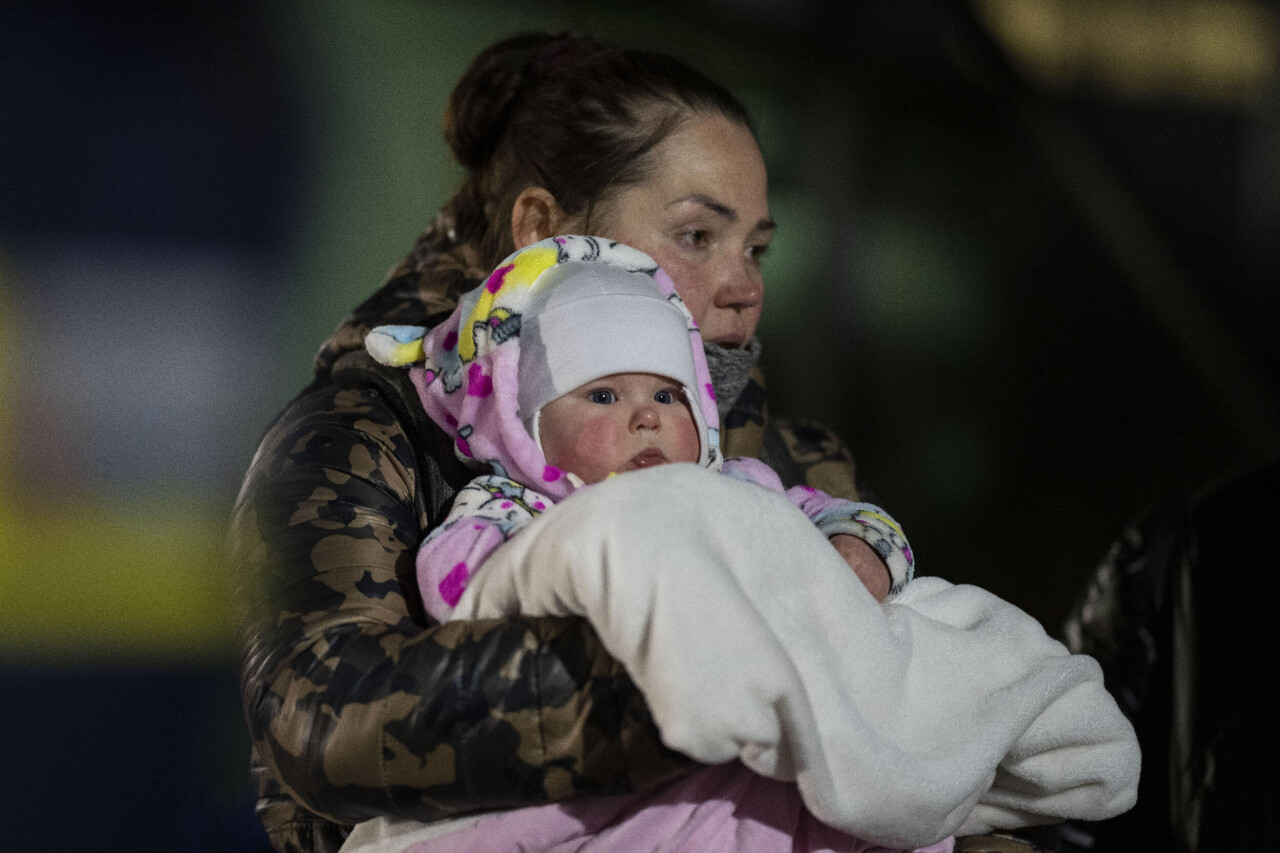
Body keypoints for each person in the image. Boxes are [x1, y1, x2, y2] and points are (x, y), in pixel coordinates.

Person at [230, 31, 1080, 853]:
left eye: (756, 246)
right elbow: (328, 720)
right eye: (697, 236)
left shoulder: (785, 459)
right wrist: (676, 684)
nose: (744, 287)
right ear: (541, 231)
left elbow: (884, 737)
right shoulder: (357, 438)